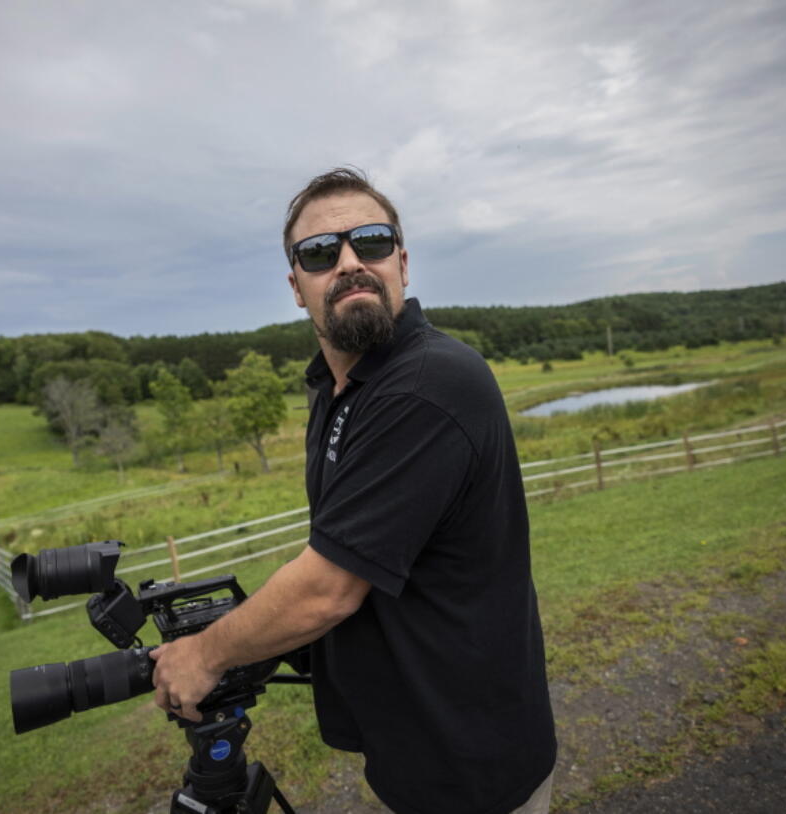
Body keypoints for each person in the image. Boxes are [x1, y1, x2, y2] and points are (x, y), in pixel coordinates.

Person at [150, 167, 557, 814]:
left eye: (369, 242)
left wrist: (206, 653)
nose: (348, 262)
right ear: (296, 287)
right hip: (415, 742)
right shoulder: (339, 387)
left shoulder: (428, 382)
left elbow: (328, 586)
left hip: (472, 762)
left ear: (401, 262)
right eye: (319, 252)